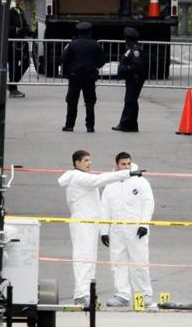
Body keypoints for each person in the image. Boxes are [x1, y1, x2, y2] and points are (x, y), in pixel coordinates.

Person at [57, 150, 143, 307]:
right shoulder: (79, 176)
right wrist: (127, 174)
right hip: (83, 223)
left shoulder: (82, 176)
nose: (89, 163)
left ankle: (86, 294)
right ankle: (81, 295)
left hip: (90, 224)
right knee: (83, 258)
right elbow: (100, 179)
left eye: (90, 160)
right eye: (85, 160)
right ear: (76, 163)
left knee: (89, 259)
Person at [101, 152, 155, 307]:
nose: (126, 167)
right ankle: (122, 295)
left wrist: (144, 224)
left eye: (128, 164)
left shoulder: (140, 181)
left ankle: (144, 295)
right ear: (117, 165)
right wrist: (104, 230)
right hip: (117, 230)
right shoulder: (111, 183)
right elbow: (105, 207)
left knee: (140, 263)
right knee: (118, 263)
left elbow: (148, 203)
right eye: (123, 164)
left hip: (135, 229)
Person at [61, 22, 106, 133]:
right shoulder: (95, 44)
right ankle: (90, 126)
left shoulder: (72, 44)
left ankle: (69, 125)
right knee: (90, 102)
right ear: (89, 32)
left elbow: (63, 58)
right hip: (90, 77)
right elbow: (102, 61)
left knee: (72, 102)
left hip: (75, 76)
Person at [112, 27, 145, 132]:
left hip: (135, 78)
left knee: (129, 101)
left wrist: (124, 69)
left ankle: (125, 123)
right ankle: (132, 124)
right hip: (131, 78)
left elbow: (137, 65)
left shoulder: (135, 50)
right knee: (132, 101)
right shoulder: (130, 49)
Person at [8, 0, 33, 98]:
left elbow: (25, 25)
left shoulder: (20, 11)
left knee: (26, 62)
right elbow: (6, 28)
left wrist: (30, 31)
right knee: (13, 65)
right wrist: (17, 30)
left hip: (21, 43)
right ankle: (13, 88)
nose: (19, 1)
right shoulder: (8, 11)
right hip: (12, 43)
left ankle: (12, 83)